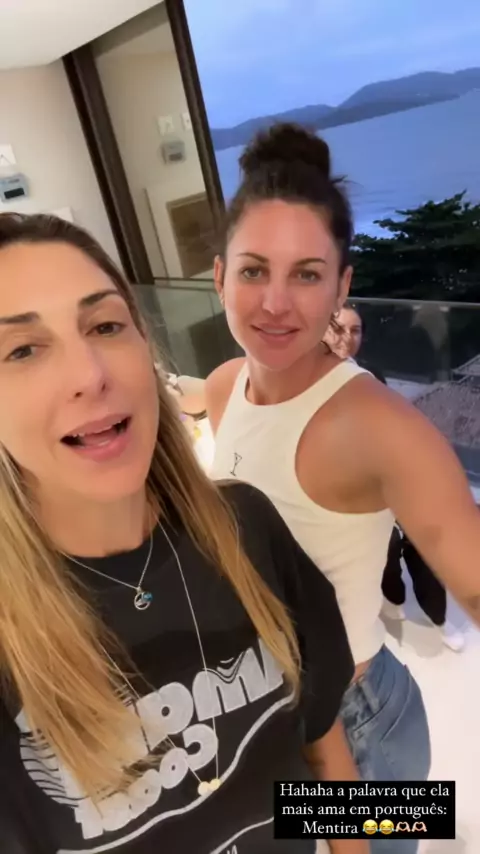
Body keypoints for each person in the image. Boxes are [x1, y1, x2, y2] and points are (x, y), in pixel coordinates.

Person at [0, 213, 367, 854]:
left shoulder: (246, 523)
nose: (89, 373)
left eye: (105, 325)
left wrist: (381, 832)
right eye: (22, 350)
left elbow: (322, 751)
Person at [206, 124, 480, 851]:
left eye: (307, 274)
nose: (275, 303)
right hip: (273, 721)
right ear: (218, 276)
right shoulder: (223, 387)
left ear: (342, 287)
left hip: (363, 727)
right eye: (254, 270)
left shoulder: (378, 425)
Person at [326, 306, 465, 651]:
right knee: (383, 549)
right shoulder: (306, 382)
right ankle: (394, 597)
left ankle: (439, 617)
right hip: (350, 486)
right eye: (338, 328)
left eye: (355, 330)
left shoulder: (369, 373)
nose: (347, 338)